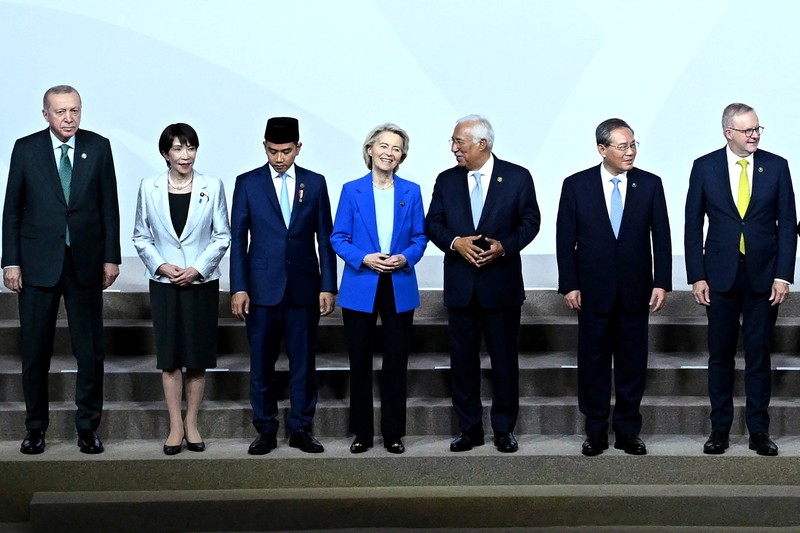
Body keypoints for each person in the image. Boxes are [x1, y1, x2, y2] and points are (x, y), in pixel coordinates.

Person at [2, 85, 121, 455]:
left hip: (85, 263)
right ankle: (35, 428)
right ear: (46, 114)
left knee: (90, 352)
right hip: (38, 265)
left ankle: (87, 427)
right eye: (60, 112)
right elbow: (13, 210)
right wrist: (11, 260)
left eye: (75, 110)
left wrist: (112, 256)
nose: (69, 118)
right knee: (36, 352)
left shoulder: (98, 147)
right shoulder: (26, 149)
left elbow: (108, 207)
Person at [685, 103, 796, 456]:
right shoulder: (704, 167)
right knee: (720, 356)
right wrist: (696, 275)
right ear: (728, 132)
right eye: (748, 130)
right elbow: (692, 225)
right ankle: (719, 430)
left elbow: (788, 225)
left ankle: (758, 432)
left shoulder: (777, 166)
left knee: (759, 356)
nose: (755, 136)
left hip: (764, 276)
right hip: (719, 276)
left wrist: (783, 275)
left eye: (758, 129)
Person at [556, 118, 672, 456]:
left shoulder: (650, 184)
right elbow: (565, 240)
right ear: (601, 149)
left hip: (636, 291)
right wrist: (569, 285)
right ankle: (595, 432)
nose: (630, 151)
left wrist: (661, 282)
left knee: (632, 364)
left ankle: (628, 432)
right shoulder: (576, 185)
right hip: (592, 292)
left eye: (633, 144)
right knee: (592, 364)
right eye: (622, 146)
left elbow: (661, 238)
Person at [425, 115, 540, 453]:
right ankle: (469, 429)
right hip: (461, 287)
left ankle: (504, 429)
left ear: (482, 144)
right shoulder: (446, 181)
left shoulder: (517, 177)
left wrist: (505, 246)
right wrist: (455, 242)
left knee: (504, 361)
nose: (454, 148)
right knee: (462, 362)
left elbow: (531, 221)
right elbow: (433, 223)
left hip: (500, 286)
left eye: (459, 141)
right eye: (454, 141)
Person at [230, 116, 337, 454]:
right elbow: (238, 239)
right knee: (261, 363)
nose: (279, 158)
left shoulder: (315, 183)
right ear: (264, 147)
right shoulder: (247, 183)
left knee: (303, 363)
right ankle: (265, 430)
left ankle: (301, 429)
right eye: (273, 151)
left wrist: (328, 285)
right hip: (261, 288)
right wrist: (238, 287)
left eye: (286, 151)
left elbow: (325, 238)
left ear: (298, 148)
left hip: (304, 287)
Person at [132, 123, 231, 455]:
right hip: (164, 282)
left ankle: (192, 423)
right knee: (171, 359)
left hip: (200, 282)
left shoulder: (212, 186)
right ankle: (175, 425)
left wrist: (197, 269)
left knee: (197, 358)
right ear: (165, 154)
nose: (185, 155)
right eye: (178, 149)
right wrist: (161, 265)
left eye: (190, 148)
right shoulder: (149, 187)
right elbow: (140, 236)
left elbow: (222, 235)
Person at [330, 124, 428, 455]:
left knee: (396, 363)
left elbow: (420, 238)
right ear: (369, 149)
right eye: (383, 146)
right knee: (360, 362)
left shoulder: (411, 191)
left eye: (396, 148)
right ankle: (362, 432)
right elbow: (338, 237)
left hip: (398, 282)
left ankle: (393, 433)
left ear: (402, 156)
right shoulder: (351, 190)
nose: (389, 153)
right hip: (361, 283)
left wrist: (405, 257)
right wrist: (364, 258)